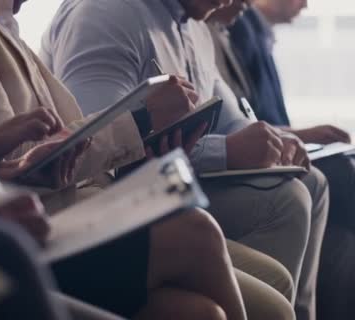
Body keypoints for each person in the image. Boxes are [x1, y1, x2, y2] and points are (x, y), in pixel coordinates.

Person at [0, 0, 299, 319]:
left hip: (79, 203)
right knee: (205, 231)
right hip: (45, 223)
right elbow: (17, 160)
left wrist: (146, 146)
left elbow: (58, 144)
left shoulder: (2, 23)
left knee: (208, 309)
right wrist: (142, 119)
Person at [39, 0, 330, 319]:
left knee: (310, 179)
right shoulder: (105, 13)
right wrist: (228, 151)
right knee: (286, 200)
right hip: (108, 200)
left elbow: (232, 121)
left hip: (165, 184)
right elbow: (99, 153)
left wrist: (270, 142)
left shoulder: (196, 27)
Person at [208, 1, 355, 319]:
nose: (305, 4)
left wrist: (292, 137)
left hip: (237, 156)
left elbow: (242, 122)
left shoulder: (205, 32)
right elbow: (246, 125)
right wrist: (290, 137)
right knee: (331, 180)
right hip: (208, 173)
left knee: (326, 177)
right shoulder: (234, 32)